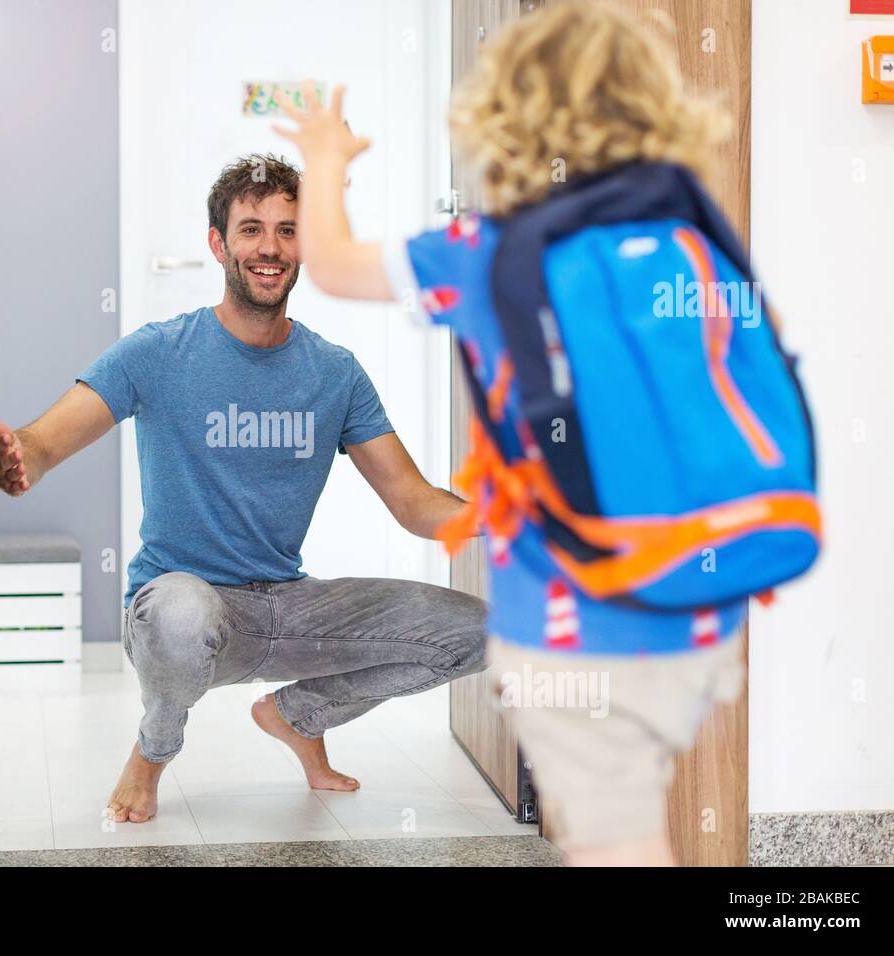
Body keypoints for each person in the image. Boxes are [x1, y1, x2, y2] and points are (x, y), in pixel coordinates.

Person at [272, 2, 763, 865]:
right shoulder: (685, 248)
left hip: (569, 592)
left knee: (608, 814)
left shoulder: (488, 248)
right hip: (678, 580)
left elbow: (338, 263)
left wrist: (324, 156)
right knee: (628, 794)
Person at [0, 154, 487, 824]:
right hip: (180, 606)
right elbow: (45, 442)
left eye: (287, 230)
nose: (270, 248)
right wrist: (16, 461)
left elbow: (415, 503)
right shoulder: (159, 353)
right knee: (182, 614)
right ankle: (151, 752)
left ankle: (299, 715)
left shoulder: (335, 374)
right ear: (218, 244)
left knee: (485, 633)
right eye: (251, 229)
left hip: (287, 606)